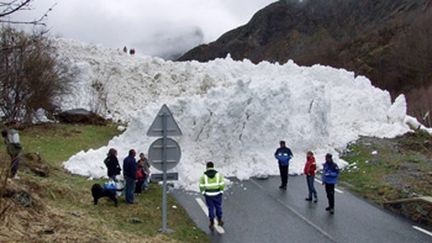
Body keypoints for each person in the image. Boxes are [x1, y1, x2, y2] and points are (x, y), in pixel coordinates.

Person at [199, 161, 225, 230]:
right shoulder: (218, 175)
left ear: (207, 167)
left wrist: (203, 192)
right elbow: (222, 183)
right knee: (218, 207)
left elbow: (201, 186)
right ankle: (219, 220)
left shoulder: (203, 176)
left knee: (211, 208)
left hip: (208, 195)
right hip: (217, 194)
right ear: (213, 166)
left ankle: (211, 222)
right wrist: (221, 191)